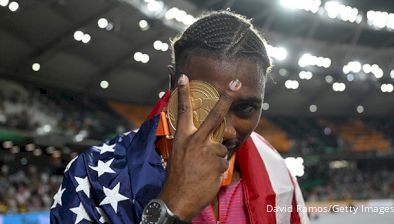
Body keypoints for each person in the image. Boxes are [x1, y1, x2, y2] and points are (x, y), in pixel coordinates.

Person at [50, 10, 310, 224]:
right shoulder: (92, 176)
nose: (228, 131)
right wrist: (172, 208)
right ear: (174, 84)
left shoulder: (278, 175)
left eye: (245, 109)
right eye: (208, 106)